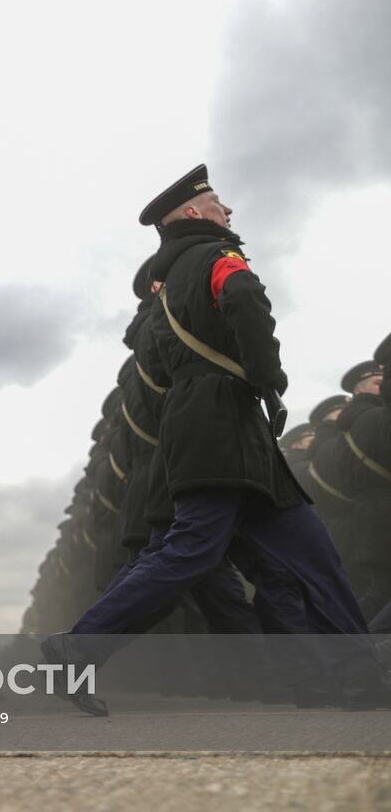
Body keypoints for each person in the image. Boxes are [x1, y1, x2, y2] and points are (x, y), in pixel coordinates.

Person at [44, 165, 378, 713]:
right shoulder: (217, 256)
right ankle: (77, 647)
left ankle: (359, 675)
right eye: (220, 203)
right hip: (220, 423)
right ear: (196, 214)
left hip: (222, 427)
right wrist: (269, 376)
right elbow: (245, 297)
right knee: (191, 550)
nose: (230, 211)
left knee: (312, 556)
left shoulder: (174, 277)